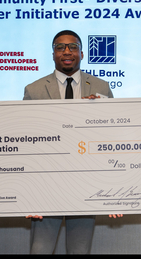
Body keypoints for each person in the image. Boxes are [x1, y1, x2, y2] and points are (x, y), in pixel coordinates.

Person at [23, 30, 115, 254]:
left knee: (79, 251)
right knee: (40, 250)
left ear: (82, 53)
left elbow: (111, 137)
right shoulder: (33, 90)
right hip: (45, 184)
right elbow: (26, 143)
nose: (67, 52)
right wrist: (27, 194)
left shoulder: (101, 89)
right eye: (60, 47)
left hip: (86, 182)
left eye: (73, 47)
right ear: (52, 54)